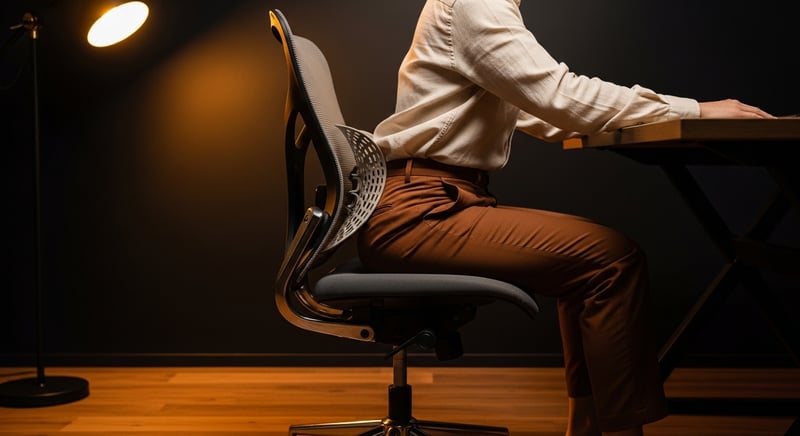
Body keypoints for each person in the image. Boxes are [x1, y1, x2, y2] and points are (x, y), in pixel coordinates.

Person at [356, 0, 775, 435]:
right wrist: (693, 110)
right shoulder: (476, 3)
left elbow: (549, 112)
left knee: (596, 260)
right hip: (419, 213)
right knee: (612, 260)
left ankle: (586, 427)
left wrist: (648, 114)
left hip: (433, 202)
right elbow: (560, 97)